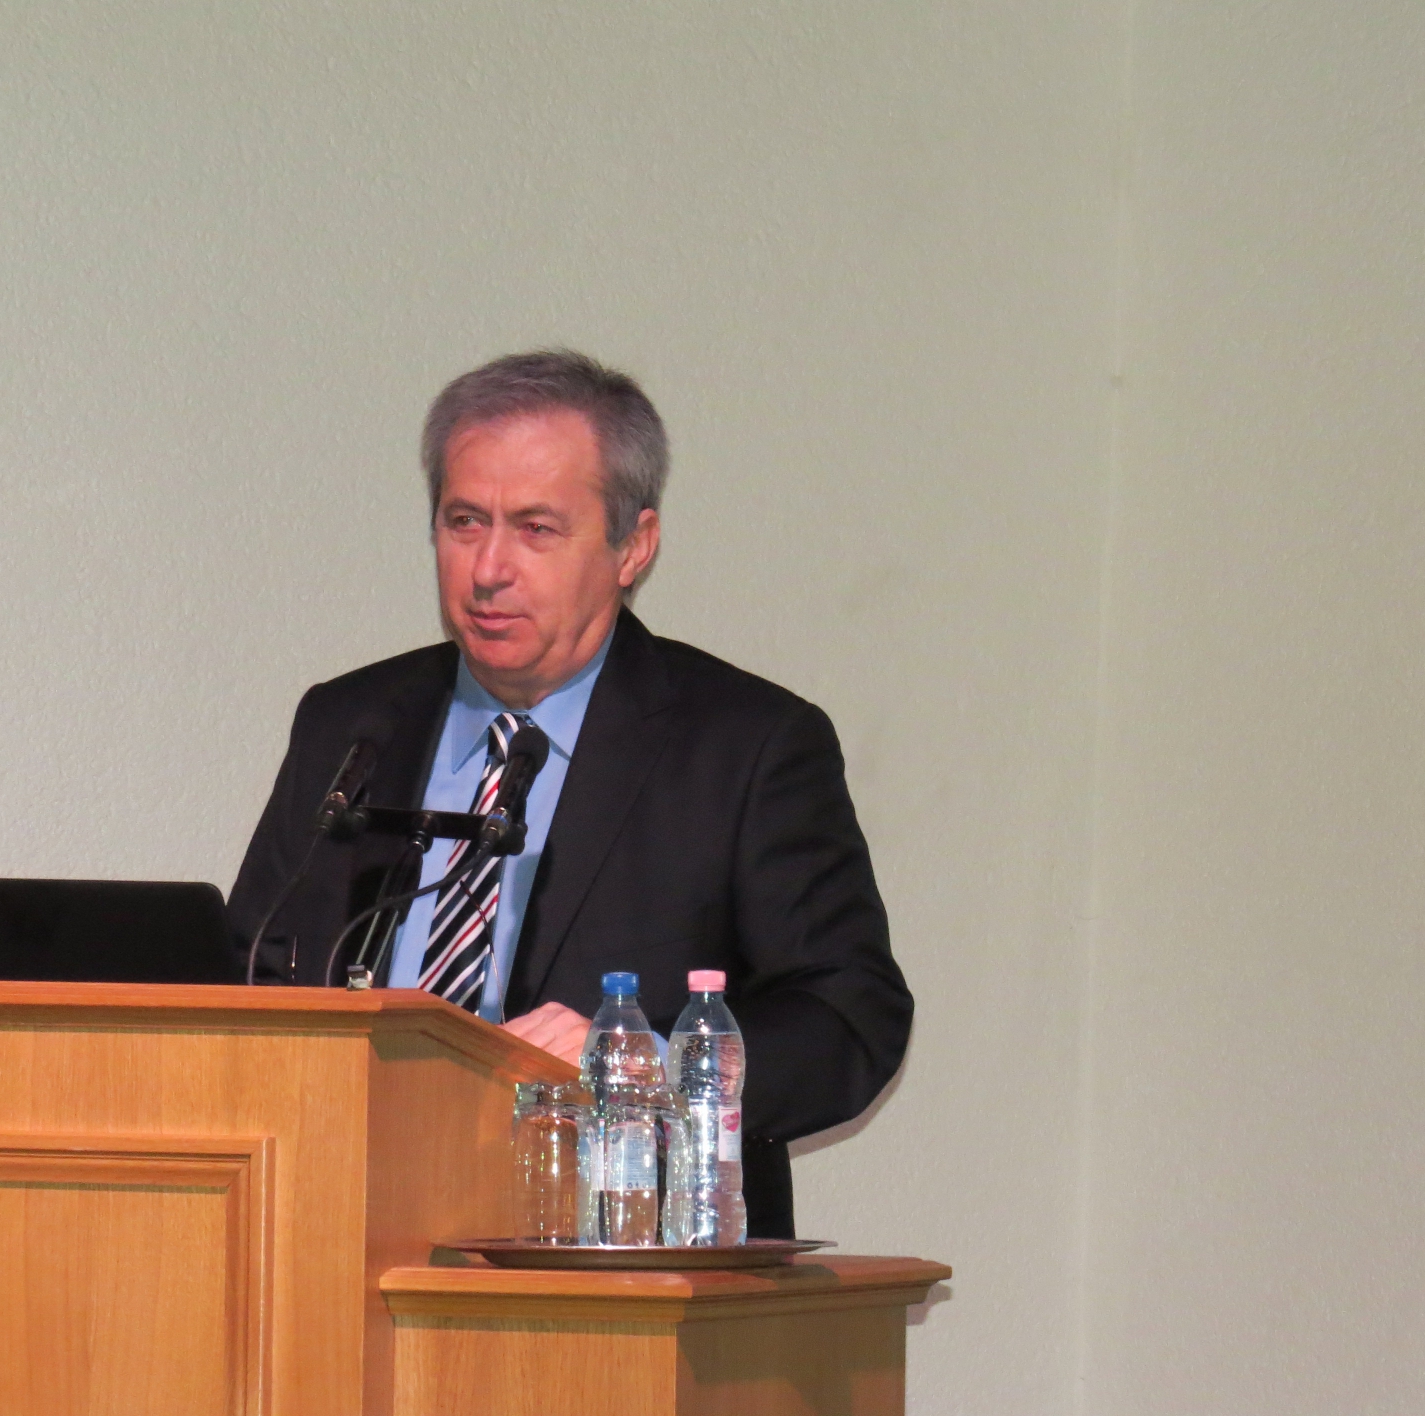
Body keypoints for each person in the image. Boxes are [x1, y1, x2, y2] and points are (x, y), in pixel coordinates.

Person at [225, 350, 911, 1237]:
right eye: (464, 522)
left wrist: (645, 1064)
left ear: (634, 547)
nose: (488, 569)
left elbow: (850, 1020)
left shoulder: (745, 746)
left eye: (536, 529)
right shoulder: (351, 724)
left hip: (619, 1255)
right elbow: (249, 975)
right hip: (337, 1231)